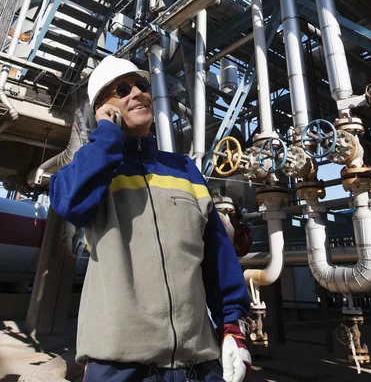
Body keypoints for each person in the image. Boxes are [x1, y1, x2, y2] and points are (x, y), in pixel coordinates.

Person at [49, 56, 251, 382]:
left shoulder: (184, 169)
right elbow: (71, 204)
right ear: (103, 108)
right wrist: (106, 137)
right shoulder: (91, 170)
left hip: (196, 363)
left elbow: (217, 255)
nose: (138, 93)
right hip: (117, 365)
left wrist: (233, 329)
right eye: (123, 89)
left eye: (142, 86)